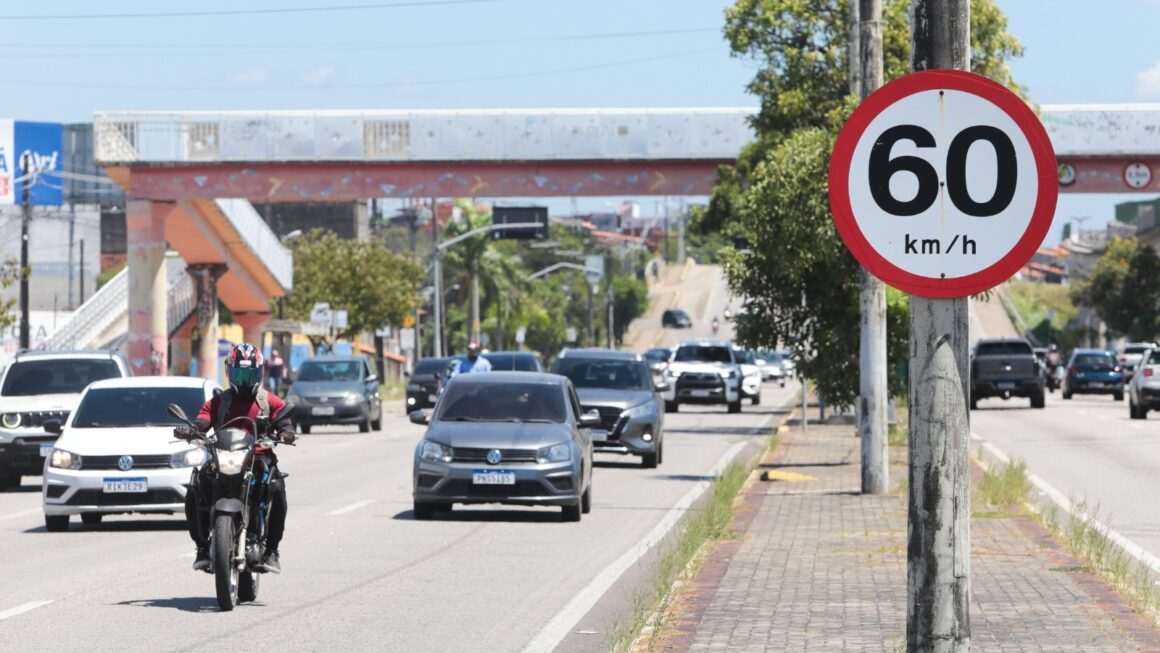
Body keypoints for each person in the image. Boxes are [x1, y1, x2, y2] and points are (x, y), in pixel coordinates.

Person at [175, 343, 297, 574]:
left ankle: (272, 550)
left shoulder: (266, 400)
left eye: (249, 374)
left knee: (277, 488)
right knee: (195, 488)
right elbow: (202, 419)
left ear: (259, 373)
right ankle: (202, 548)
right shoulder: (220, 401)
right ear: (230, 372)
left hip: (259, 457)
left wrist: (285, 432)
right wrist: (191, 429)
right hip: (223, 456)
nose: (243, 379)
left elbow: (283, 417)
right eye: (239, 374)